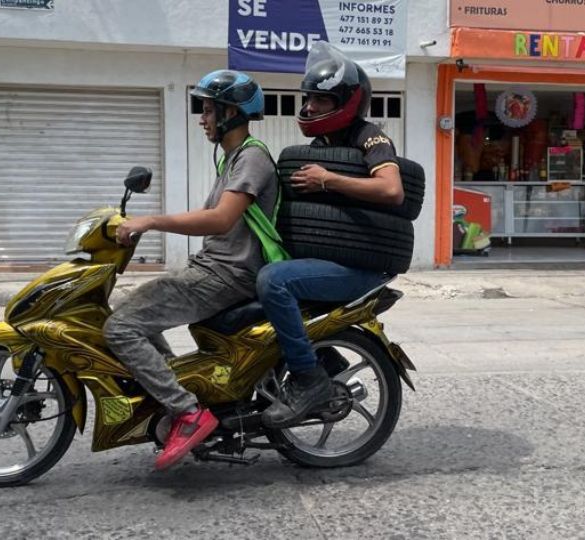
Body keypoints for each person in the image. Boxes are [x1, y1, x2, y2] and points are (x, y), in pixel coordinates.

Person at [104, 70, 278, 470]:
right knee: (136, 317)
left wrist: (151, 222)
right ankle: (174, 394)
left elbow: (219, 220)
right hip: (214, 267)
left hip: (227, 274)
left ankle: (187, 413)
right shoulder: (233, 158)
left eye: (208, 109)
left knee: (121, 328)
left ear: (231, 112)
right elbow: (212, 216)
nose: (203, 118)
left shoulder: (252, 157)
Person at [258, 42, 404, 429]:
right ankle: (326, 360)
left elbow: (392, 190)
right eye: (308, 99)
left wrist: (328, 180)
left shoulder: (370, 138)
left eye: (320, 101)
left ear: (347, 101)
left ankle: (308, 382)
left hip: (360, 266)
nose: (309, 107)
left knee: (274, 282)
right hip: (331, 259)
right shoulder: (319, 146)